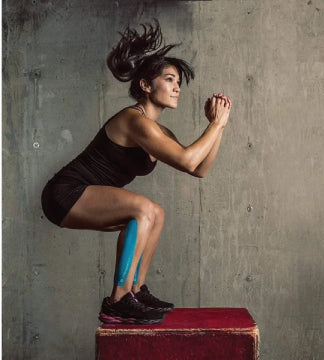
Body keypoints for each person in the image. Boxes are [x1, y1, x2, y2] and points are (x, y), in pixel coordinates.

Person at [41, 20, 231, 325]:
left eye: (178, 82)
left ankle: (136, 291)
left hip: (86, 196)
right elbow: (185, 159)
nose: (176, 87)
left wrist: (220, 126)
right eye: (169, 79)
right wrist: (215, 125)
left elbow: (199, 168)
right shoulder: (135, 121)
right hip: (66, 193)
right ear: (145, 85)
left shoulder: (158, 130)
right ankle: (117, 300)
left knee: (156, 212)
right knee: (142, 209)